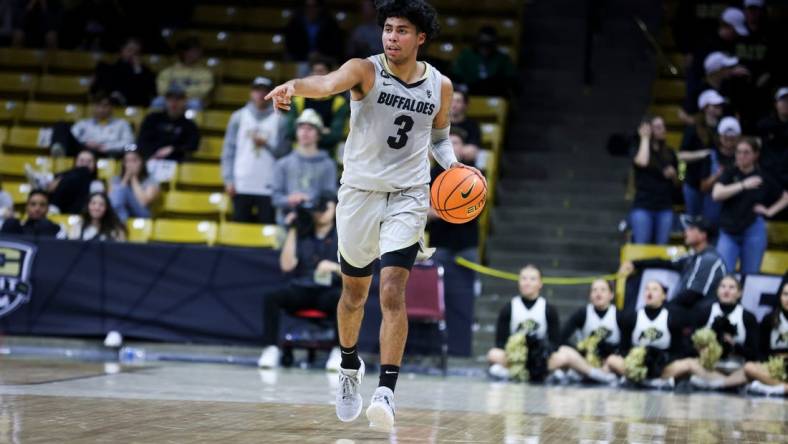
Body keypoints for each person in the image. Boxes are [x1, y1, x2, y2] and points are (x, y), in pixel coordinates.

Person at [265, 0, 485, 431]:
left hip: (407, 195)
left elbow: (438, 138)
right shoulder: (365, 70)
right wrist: (293, 85)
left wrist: (453, 165)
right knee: (353, 295)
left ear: (421, 38)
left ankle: (386, 390)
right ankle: (349, 368)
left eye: (402, 30)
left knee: (392, 290)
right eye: (387, 28)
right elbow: (327, 83)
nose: (391, 37)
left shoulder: (440, 86)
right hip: (360, 193)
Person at [257, 193, 342, 372]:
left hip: (328, 290)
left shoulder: (343, 235)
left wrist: (334, 267)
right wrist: (293, 229)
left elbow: (358, 272)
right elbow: (287, 266)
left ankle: (339, 351)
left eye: (324, 209)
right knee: (272, 297)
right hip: (303, 287)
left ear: (335, 208)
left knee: (343, 301)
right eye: (316, 210)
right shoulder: (303, 232)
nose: (319, 214)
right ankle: (271, 348)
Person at [659, 275, 760, 391]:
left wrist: (735, 347)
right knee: (687, 364)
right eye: (723, 287)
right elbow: (687, 344)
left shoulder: (748, 317)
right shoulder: (704, 312)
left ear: (739, 293)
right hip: (708, 368)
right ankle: (727, 384)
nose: (726, 290)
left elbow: (754, 353)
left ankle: (716, 383)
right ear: (717, 291)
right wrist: (700, 348)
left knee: (751, 369)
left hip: (736, 369)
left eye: (732, 287)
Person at [712, 137, 788, 273]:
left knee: (750, 275)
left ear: (755, 155)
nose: (741, 156)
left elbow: (785, 197)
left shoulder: (763, 176)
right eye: (738, 152)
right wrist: (743, 185)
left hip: (753, 230)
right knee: (722, 273)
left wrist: (769, 211)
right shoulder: (730, 172)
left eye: (746, 152)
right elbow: (716, 194)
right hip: (728, 230)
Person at [619, 216, 726, 309]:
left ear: (703, 235)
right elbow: (665, 262)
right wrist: (634, 263)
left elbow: (693, 295)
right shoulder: (692, 256)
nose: (686, 231)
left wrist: (665, 308)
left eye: (691, 228)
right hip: (688, 308)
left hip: (700, 312)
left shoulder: (709, 259)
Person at [222, 77, 290, 224]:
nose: (260, 94)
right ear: (251, 92)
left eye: (265, 90)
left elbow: (285, 155)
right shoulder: (238, 117)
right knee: (239, 230)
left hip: (269, 185)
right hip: (241, 184)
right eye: (257, 90)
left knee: (267, 230)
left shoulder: (281, 121)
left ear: (272, 94)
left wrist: (267, 145)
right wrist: (228, 180)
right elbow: (228, 152)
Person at [605, 280, 690, 389]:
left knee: (688, 365)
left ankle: (644, 381)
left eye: (655, 289)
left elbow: (678, 351)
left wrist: (663, 359)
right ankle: (654, 382)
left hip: (662, 368)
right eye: (647, 289)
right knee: (612, 359)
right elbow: (623, 348)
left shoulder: (672, 318)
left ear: (664, 296)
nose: (650, 292)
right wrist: (635, 360)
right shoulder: (632, 317)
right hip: (637, 367)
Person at [486, 265, 560, 382]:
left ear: (540, 283)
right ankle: (523, 372)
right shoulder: (508, 307)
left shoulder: (549, 309)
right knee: (493, 354)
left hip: (540, 359)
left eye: (532, 279)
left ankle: (511, 373)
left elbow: (555, 343)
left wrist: (540, 349)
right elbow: (500, 343)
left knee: (564, 355)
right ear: (519, 282)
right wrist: (517, 350)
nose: (527, 283)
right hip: (515, 358)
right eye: (524, 278)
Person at [546, 279, 621, 384]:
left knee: (614, 360)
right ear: (590, 295)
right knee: (563, 351)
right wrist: (580, 350)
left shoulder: (619, 315)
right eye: (594, 290)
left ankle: (584, 374)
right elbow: (561, 337)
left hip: (608, 361)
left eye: (603, 290)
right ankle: (597, 375)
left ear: (611, 295)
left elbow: (626, 345)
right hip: (586, 361)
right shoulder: (583, 313)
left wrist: (610, 352)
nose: (598, 293)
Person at [271, 109, 338, 217]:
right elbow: (276, 198)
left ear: (318, 134)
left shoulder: (328, 165)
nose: (305, 132)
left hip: (316, 223)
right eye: (301, 127)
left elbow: (329, 196)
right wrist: (289, 199)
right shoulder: (282, 164)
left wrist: (308, 199)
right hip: (287, 224)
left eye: (310, 128)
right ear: (296, 132)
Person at [426, 128, 479, 264]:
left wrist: (440, 211)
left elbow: (476, 208)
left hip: (467, 242)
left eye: (455, 143)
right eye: (447, 144)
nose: (451, 147)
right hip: (439, 241)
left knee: (468, 284)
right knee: (438, 285)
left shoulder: (474, 174)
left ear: (463, 148)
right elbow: (423, 209)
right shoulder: (430, 174)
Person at [629, 116, 679, 245]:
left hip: (664, 207)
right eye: (658, 127)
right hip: (643, 206)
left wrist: (674, 175)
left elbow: (678, 182)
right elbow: (642, 161)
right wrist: (645, 138)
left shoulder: (670, 153)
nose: (663, 130)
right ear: (649, 130)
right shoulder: (638, 148)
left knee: (661, 247)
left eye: (663, 126)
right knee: (642, 245)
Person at [285, 56, 350, 152]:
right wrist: (323, 131)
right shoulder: (298, 100)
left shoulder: (339, 103)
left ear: (330, 74)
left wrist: (305, 134)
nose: (317, 75)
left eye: (321, 71)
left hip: (328, 153)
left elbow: (335, 137)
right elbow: (290, 132)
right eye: (314, 71)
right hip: (299, 153)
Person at [680, 89, 724, 217]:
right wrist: (704, 154)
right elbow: (681, 155)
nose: (718, 108)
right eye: (714, 105)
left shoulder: (722, 128)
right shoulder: (693, 128)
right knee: (694, 222)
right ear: (705, 108)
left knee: (712, 222)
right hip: (693, 182)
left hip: (716, 184)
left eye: (719, 105)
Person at [743, 280, 788, 396]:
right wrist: (772, 365)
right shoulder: (769, 319)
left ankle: (773, 388)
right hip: (774, 367)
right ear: (780, 296)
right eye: (785, 294)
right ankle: (781, 387)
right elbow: (760, 351)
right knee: (749, 367)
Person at [137, 85, 200, 162]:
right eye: (170, 99)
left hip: (176, 162)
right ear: (165, 100)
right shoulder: (152, 119)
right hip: (150, 159)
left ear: (184, 101)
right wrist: (153, 153)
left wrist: (173, 149)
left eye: (178, 99)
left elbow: (193, 145)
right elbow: (142, 141)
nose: (174, 102)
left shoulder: (190, 125)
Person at [91, 37, 157, 107]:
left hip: (135, 103)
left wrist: (137, 70)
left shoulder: (145, 71)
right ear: (122, 50)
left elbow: (148, 91)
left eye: (136, 53)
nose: (132, 54)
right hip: (111, 103)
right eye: (130, 50)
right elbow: (97, 88)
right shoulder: (110, 68)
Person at [698, 116, 740, 224]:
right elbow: (703, 187)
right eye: (726, 137)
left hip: (736, 210)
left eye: (732, 137)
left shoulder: (744, 157)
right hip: (713, 210)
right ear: (720, 137)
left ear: (738, 138)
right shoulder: (710, 157)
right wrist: (717, 175)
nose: (729, 140)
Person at [451, 26, 516, 96]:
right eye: (482, 43)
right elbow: (455, 75)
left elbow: (510, 80)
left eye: (489, 44)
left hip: (493, 94)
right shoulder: (466, 55)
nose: (485, 47)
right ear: (477, 42)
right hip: (468, 94)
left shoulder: (502, 59)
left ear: (494, 44)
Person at [153, 37, 214, 110]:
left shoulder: (205, 73)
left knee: (195, 104)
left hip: (190, 100)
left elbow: (203, 91)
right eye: (193, 51)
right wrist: (174, 96)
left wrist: (182, 94)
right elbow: (161, 89)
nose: (198, 53)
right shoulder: (168, 71)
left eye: (198, 51)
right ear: (184, 52)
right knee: (158, 102)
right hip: (170, 99)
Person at [38, 149, 105, 215]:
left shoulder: (97, 183)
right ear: (75, 162)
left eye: (89, 161)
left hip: (82, 211)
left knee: (82, 172)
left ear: (94, 165)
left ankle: (54, 204)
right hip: (64, 206)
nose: (85, 164)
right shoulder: (67, 177)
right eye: (81, 161)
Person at [68, 92, 135, 157]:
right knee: (62, 125)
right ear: (93, 107)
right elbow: (71, 138)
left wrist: (107, 147)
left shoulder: (122, 124)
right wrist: (86, 143)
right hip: (87, 152)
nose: (101, 109)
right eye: (98, 105)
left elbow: (130, 144)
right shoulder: (83, 123)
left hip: (111, 155)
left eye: (105, 106)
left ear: (111, 107)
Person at [109, 149, 160, 222]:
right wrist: (125, 179)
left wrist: (133, 178)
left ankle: (118, 227)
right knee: (120, 193)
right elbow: (112, 201)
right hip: (121, 211)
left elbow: (143, 202)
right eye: (127, 161)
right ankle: (121, 226)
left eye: (134, 160)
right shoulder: (116, 179)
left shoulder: (151, 180)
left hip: (142, 213)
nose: (130, 164)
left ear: (141, 162)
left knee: (122, 190)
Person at [757, 87, 788, 196]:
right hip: (770, 178)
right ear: (776, 104)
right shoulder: (764, 125)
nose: (786, 104)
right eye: (782, 100)